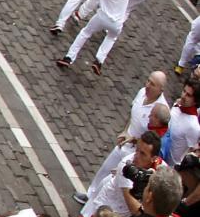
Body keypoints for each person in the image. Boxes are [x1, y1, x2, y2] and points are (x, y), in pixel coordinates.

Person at [72, 72, 168, 206]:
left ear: (160, 89)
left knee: (113, 179)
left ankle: (97, 205)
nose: (147, 85)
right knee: (105, 168)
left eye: (152, 84)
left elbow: (153, 138)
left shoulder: (160, 110)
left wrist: (133, 139)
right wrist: (124, 130)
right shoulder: (142, 92)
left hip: (135, 151)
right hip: (125, 142)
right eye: (148, 81)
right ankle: (90, 195)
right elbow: (133, 114)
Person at [55, 0, 134, 75]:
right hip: (117, 22)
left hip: (103, 17)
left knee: (85, 32)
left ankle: (69, 57)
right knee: (111, 37)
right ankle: (99, 60)